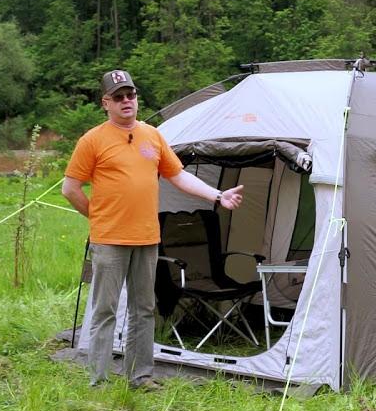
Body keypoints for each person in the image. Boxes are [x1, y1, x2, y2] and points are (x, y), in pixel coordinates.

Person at [62, 70, 243, 390]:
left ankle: (140, 376)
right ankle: (99, 380)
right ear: (106, 103)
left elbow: (178, 176)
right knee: (105, 311)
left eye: (130, 94)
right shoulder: (92, 140)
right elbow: (70, 188)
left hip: (147, 238)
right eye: (118, 97)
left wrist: (217, 195)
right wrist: (97, 217)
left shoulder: (152, 135)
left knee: (144, 309)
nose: (126, 101)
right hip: (109, 240)